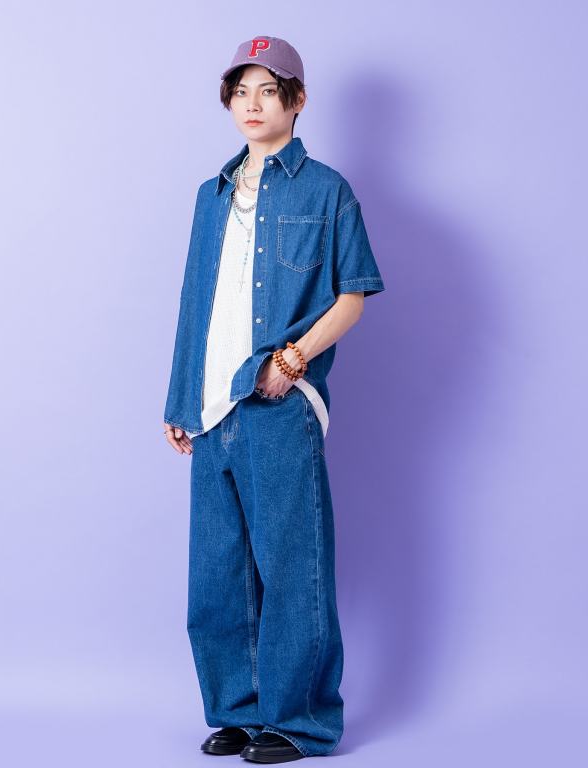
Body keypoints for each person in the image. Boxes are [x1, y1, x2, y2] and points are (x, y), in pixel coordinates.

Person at [163, 36, 385, 763]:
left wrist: (293, 360)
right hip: (211, 409)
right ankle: (237, 709)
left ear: (297, 100)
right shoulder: (211, 196)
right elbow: (196, 304)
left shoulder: (326, 190)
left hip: (279, 404)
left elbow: (353, 295)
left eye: (268, 90)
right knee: (217, 576)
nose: (252, 104)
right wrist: (179, 398)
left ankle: (299, 722)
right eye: (241, 91)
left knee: (293, 569)